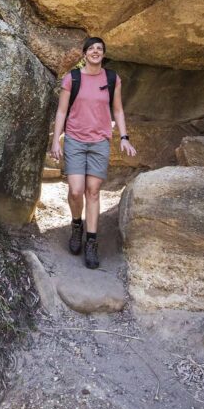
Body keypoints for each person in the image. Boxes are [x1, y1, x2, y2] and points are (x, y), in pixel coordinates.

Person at [50, 37, 137, 269]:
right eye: (91, 49)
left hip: (99, 142)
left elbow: (117, 110)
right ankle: (76, 224)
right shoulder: (73, 78)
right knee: (76, 191)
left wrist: (124, 137)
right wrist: (55, 141)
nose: (95, 52)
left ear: (103, 54)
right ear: (85, 54)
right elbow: (61, 112)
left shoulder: (111, 79)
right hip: (75, 141)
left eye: (100, 49)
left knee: (94, 191)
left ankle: (91, 241)